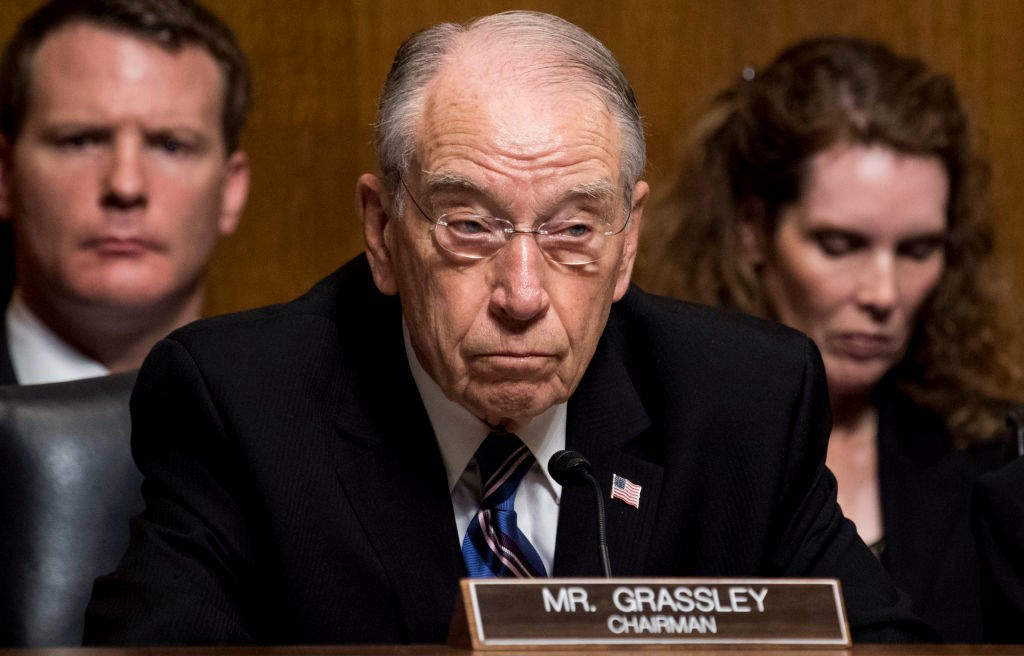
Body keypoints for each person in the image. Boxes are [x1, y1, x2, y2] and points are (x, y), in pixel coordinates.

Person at [84, 13, 929, 645]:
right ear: (382, 230)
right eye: (470, 226)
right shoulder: (243, 406)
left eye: (572, 231)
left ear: (627, 243)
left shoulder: (740, 404)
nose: (522, 293)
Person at [639, 36, 1019, 642]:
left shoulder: (995, 461)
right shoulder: (646, 447)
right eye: (840, 246)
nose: (883, 293)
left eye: (919, 250)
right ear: (752, 232)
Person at [0, 0, 251, 385]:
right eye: (80, 141)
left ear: (231, 191)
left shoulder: (299, 422)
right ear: (6, 174)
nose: (125, 186)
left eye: (171, 145)